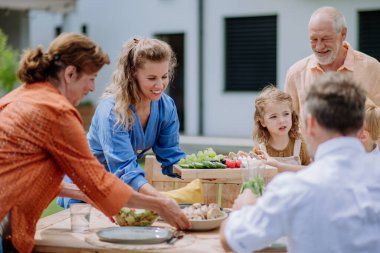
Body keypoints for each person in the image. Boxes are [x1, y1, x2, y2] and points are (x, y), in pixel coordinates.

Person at [0, 33, 190, 253]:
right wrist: (159, 204)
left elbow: (23, 174)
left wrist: (88, 194)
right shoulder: (57, 112)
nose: (92, 88)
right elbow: (98, 180)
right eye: (90, 78)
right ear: (70, 74)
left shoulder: (21, 96)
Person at [220, 72, 380, 252]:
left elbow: (230, 240)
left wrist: (244, 207)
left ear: (310, 124)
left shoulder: (294, 188)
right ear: (360, 126)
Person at [58, 37, 188, 208]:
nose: (160, 85)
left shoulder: (166, 106)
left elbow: (172, 158)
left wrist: (214, 167)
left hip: (117, 191)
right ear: (133, 74)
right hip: (83, 193)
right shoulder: (113, 111)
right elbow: (125, 170)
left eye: (164, 76)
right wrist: (161, 202)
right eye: (151, 78)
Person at [284, 6, 380, 123]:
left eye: (325, 39)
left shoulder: (372, 69)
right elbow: (289, 127)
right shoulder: (295, 74)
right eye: (314, 39)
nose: (319, 47)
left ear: (343, 34)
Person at [252, 85, 310, 172]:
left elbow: (313, 171)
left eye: (286, 114)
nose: (282, 120)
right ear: (262, 122)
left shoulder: (302, 145)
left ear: (292, 115)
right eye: (273, 116)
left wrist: (278, 166)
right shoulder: (259, 151)